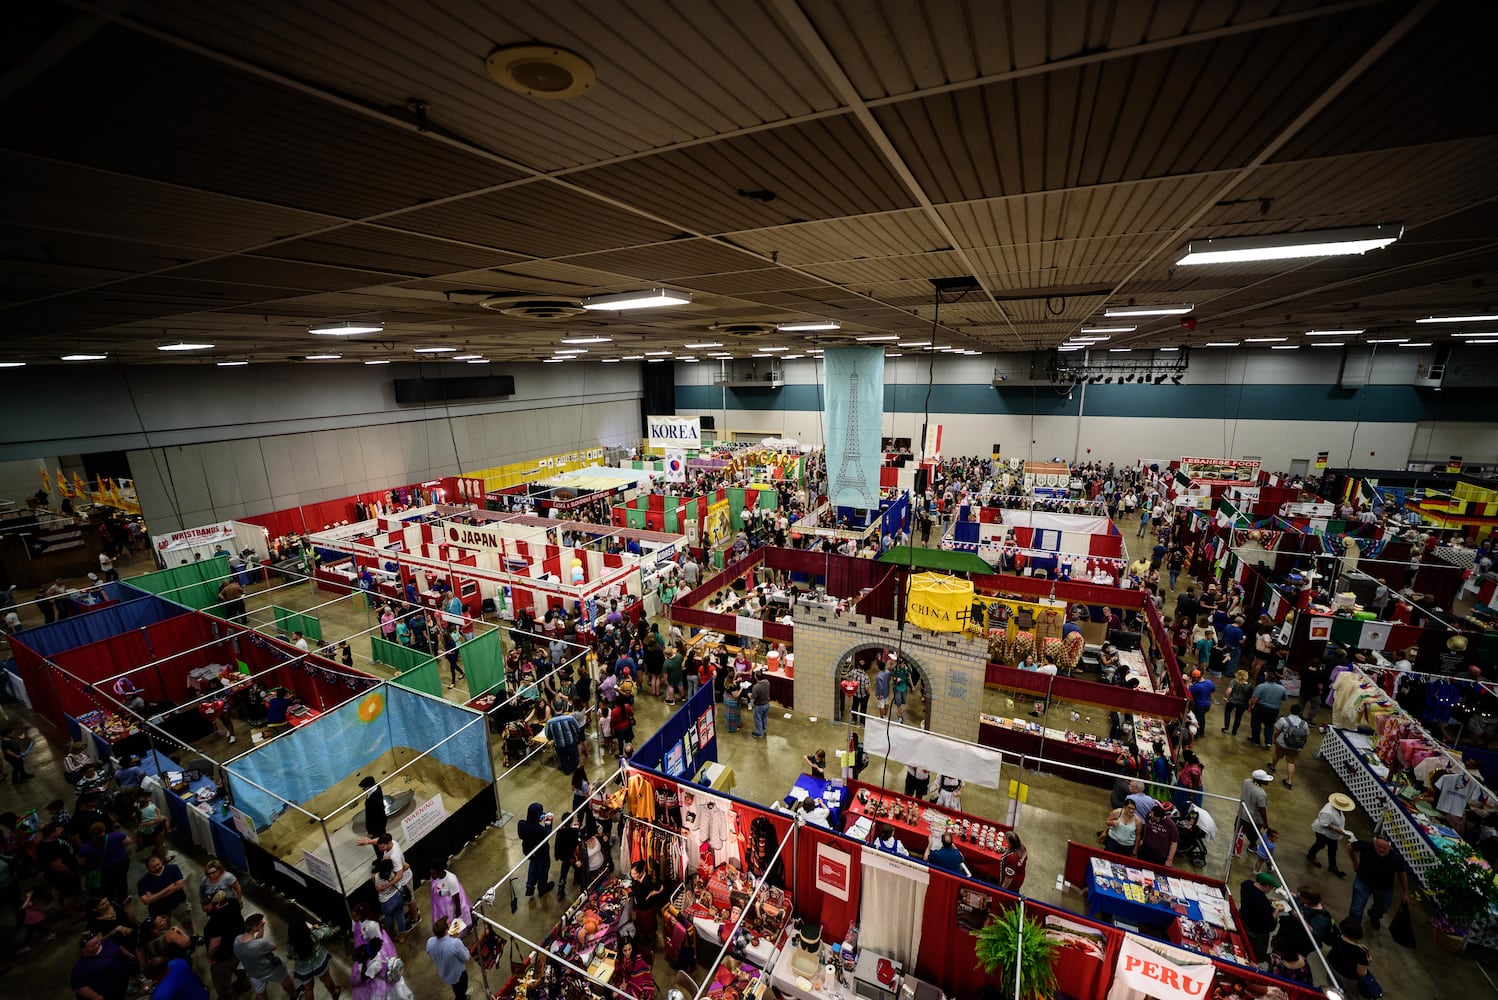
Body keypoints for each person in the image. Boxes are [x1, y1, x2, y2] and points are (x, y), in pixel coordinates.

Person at [1347, 834, 1409, 929]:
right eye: (1379, 846)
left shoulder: (1396, 858)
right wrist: (1354, 862)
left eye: (1384, 848)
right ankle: (1353, 927)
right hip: (1363, 881)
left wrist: (1405, 892)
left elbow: (1402, 875)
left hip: (1384, 887)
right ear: (1374, 843)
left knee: (1382, 908)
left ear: (1389, 847)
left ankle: (1374, 916)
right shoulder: (1365, 846)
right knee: (1356, 907)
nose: (1381, 850)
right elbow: (1349, 846)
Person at [234, 913, 297, 1000]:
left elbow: (256, 942)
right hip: (270, 969)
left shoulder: (237, 940)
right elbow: (274, 947)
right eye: (261, 924)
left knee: (260, 993)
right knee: (285, 979)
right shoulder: (260, 944)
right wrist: (261, 928)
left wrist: (261, 927)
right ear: (255, 928)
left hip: (253, 973)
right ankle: (294, 995)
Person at [203, 890, 247, 1000]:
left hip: (225, 957)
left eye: (208, 904)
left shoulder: (214, 923)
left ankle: (227, 997)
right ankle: (244, 984)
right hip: (241, 946)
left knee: (221, 981)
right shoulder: (233, 904)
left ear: (218, 904)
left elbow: (215, 944)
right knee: (240, 968)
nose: (205, 907)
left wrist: (210, 957)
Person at [284, 919, 341, 1000]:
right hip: (319, 962)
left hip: (304, 968)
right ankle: (334, 994)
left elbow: (289, 956)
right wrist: (317, 928)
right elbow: (329, 932)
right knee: (326, 979)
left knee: (308, 988)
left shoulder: (290, 946)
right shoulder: (313, 935)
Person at [138, 855, 192, 933]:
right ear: (148, 868)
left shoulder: (173, 868)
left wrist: (154, 896)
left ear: (161, 861)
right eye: (153, 867)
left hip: (178, 903)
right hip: (159, 910)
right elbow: (146, 901)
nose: (157, 867)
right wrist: (169, 888)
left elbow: (180, 885)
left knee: (187, 922)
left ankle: (192, 936)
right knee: (163, 930)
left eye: (158, 864)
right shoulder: (143, 882)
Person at [72, 930, 132, 1000]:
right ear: (83, 949)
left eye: (97, 942)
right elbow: (78, 986)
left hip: (119, 988)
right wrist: (96, 997)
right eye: (92, 946)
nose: (97, 945)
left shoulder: (105, 943)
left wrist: (128, 954)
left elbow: (118, 946)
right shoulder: (80, 967)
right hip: (107, 995)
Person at [1306, 792, 1353, 878]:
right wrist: (1336, 829)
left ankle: (1332, 866)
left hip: (1332, 833)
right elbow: (1324, 823)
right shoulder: (1328, 812)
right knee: (1320, 844)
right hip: (1322, 831)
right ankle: (1311, 855)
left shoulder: (1336, 809)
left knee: (1333, 848)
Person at [1238, 871, 1280, 963]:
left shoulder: (1246, 884)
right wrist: (1277, 910)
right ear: (1267, 886)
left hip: (1243, 919)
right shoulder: (1263, 904)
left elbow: (1253, 897)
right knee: (1253, 955)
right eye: (1271, 887)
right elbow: (1270, 925)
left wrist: (1267, 899)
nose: (1271, 889)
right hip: (1254, 933)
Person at [426, 917, 472, 1000]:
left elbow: (429, 951)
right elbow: (466, 957)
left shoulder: (430, 942)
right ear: (446, 930)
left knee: (456, 989)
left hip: (444, 972)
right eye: (449, 924)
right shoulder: (455, 943)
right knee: (460, 993)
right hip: (458, 974)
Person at [1268, 703, 1311, 789]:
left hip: (1282, 744)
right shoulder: (1304, 724)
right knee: (1291, 762)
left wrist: (1274, 739)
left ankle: (1273, 766)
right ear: (1300, 712)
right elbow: (1306, 736)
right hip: (1296, 746)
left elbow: (1277, 731)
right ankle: (1289, 781)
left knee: (1277, 755)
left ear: (1290, 710)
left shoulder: (1283, 720)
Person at [517, 803, 555, 897]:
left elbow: (521, 835)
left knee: (533, 865)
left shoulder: (521, 824)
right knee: (542, 870)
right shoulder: (540, 830)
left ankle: (530, 887)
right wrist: (548, 823)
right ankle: (542, 888)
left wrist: (541, 817)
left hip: (528, 851)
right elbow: (547, 835)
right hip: (541, 853)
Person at [1325, 921, 1375, 991]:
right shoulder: (1361, 952)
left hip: (1331, 966)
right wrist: (1367, 961)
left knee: (1332, 986)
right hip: (1347, 976)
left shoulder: (1337, 936)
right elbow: (1361, 973)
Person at [1247, 670, 1288, 748]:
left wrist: (1250, 707)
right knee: (1269, 725)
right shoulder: (1281, 688)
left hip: (1261, 708)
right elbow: (1285, 698)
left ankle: (1256, 741)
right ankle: (1268, 742)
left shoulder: (1261, 686)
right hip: (1274, 710)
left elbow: (1254, 699)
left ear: (1266, 678)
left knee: (1256, 724)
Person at [610, 935, 655, 1000]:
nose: (628, 953)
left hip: (636, 984)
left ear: (632, 948)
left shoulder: (638, 960)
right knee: (613, 995)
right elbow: (621, 973)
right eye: (625, 950)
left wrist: (626, 984)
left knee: (621, 997)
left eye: (629, 949)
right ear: (621, 950)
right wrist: (623, 981)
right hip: (625, 981)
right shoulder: (621, 958)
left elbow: (638, 980)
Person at [430, 861, 472, 931]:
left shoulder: (451, 880)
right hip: (442, 904)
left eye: (433, 873)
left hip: (450, 904)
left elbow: (456, 898)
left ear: (440, 872)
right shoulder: (437, 877)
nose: (431, 876)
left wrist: (458, 913)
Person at [1236, 769, 1272, 851]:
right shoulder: (1261, 794)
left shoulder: (1246, 781)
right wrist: (1265, 822)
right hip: (1252, 818)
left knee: (1238, 830)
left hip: (1242, 813)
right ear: (1259, 781)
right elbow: (1262, 810)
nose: (1267, 781)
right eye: (1265, 780)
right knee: (1254, 834)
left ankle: (1235, 844)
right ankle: (1252, 846)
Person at [373, 858, 409, 939]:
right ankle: (402, 935)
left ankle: (392, 933)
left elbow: (377, 888)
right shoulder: (393, 874)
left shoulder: (376, 877)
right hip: (397, 896)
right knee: (399, 914)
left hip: (386, 901)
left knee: (388, 918)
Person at [545, 700, 582, 775]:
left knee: (563, 759)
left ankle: (567, 771)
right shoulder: (570, 718)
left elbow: (548, 736)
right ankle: (575, 770)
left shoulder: (549, 722)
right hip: (571, 743)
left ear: (554, 709)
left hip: (559, 745)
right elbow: (577, 729)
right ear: (562, 708)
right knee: (574, 757)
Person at [1222, 669, 1253, 736]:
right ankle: (1234, 731)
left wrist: (1226, 697)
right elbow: (1251, 696)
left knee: (1227, 712)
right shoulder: (1249, 686)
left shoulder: (1234, 681)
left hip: (1232, 700)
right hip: (1243, 703)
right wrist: (1250, 705)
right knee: (1238, 716)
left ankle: (1226, 727)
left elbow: (1229, 690)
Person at [750, 669, 772, 738]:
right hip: (767, 704)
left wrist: (749, 696)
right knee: (764, 717)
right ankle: (764, 729)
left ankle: (759, 733)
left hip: (759, 706)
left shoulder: (756, 687)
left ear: (756, 677)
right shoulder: (767, 682)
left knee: (758, 719)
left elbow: (753, 697)